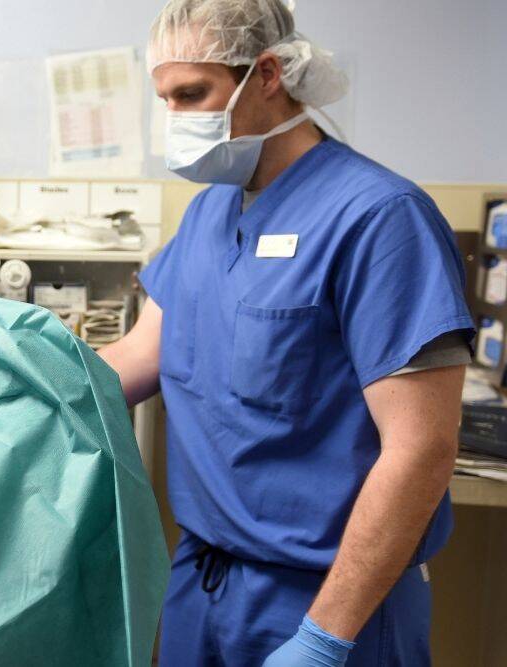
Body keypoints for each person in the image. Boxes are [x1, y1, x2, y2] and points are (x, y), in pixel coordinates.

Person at [100, 1, 472, 665]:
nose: (177, 121)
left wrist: (324, 637)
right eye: (166, 99)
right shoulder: (210, 212)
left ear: (267, 74)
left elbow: (421, 449)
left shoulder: (381, 219)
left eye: (193, 94)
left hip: (327, 598)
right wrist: (0, 363)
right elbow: (136, 355)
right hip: (203, 583)